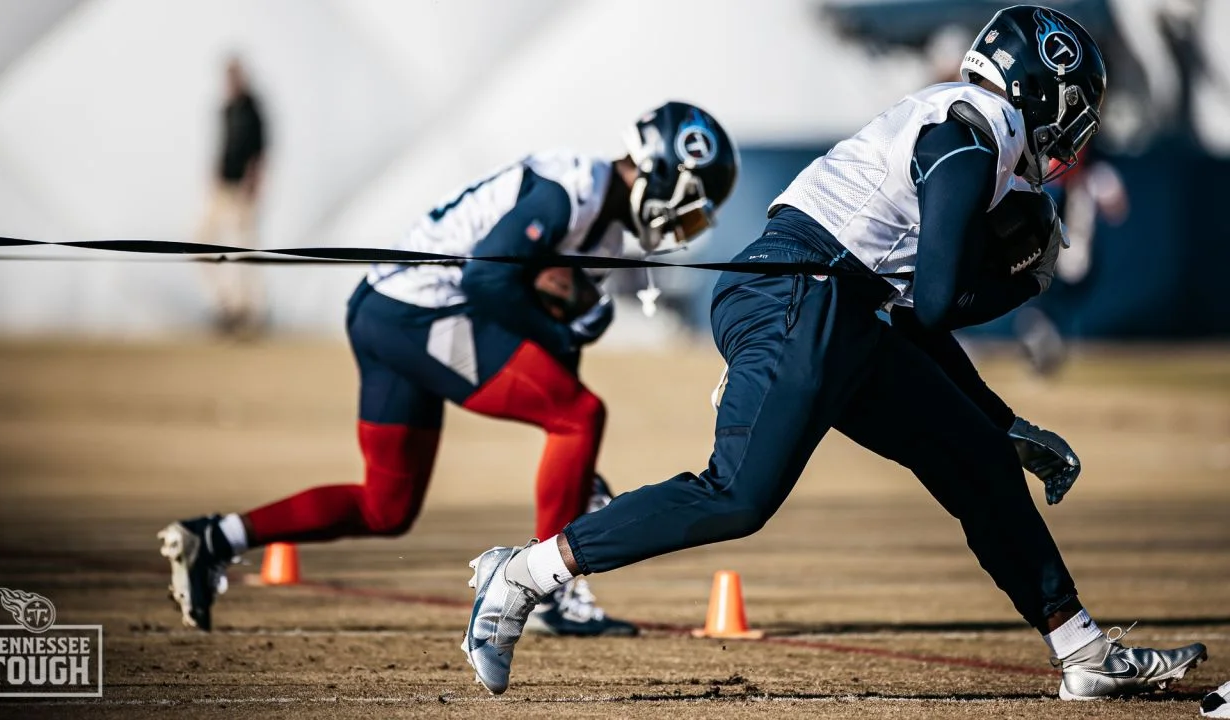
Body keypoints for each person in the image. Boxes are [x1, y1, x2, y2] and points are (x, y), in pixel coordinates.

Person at [462, 6, 1208, 699]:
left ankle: (1081, 653)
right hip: (802, 295)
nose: (1075, 129)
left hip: (834, 306)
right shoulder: (966, 138)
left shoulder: (964, 130)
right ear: (1040, 92)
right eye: (1073, 105)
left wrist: (1001, 422)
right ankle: (524, 574)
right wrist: (1023, 286)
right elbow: (941, 303)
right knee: (738, 496)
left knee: (974, 458)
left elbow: (916, 323)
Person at [158, 102, 740, 636]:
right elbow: (486, 279)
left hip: (388, 310)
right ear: (663, 168)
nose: (680, 226)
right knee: (579, 416)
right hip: (419, 310)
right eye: (687, 205)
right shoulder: (575, 188)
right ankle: (544, 595)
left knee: (386, 508)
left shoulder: (604, 224)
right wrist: (563, 335)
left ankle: (215, 537)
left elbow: (551, 346)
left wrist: (576, 458)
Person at [195, 57, 268, 338]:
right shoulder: (225, 108)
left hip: (242, 190)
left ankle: (249, 314)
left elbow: (261, 149)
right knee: (199, 243)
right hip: (222, 187)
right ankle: (227, 304)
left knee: (243, 251)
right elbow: (222, 145)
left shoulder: (253, 108)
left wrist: (255, 182)